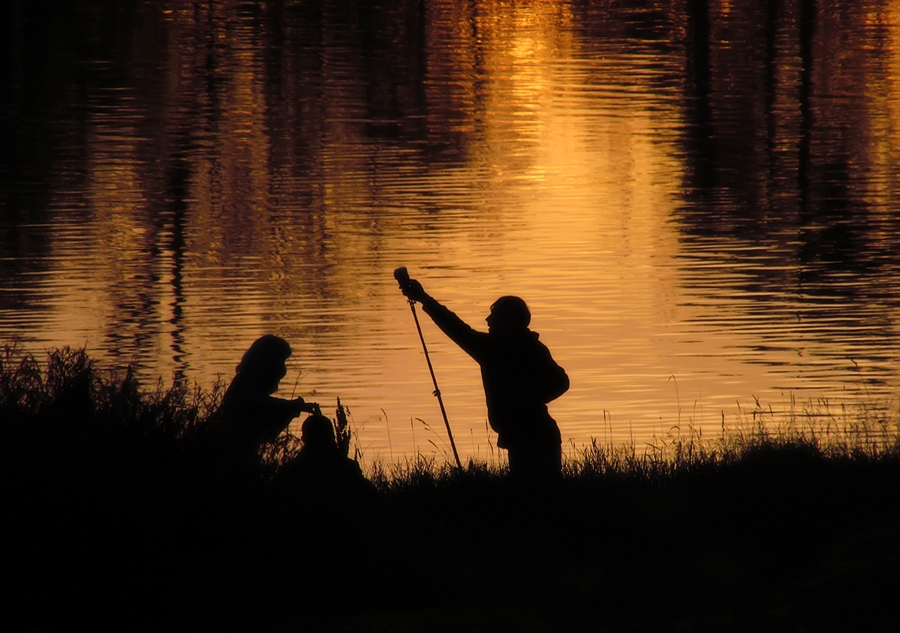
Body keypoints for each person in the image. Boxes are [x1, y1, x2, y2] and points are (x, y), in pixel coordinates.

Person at [399, 277, 569, 479]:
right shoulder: (526, 346)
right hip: (533, 435)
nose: (488, 320)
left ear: (509, 321)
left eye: (493, 316)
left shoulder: (494, 350)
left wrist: (525, 399)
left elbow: (456, 328)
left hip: (532, 437)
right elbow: (561, 382)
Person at [213, 334, 319, 470]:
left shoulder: (245, 382)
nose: (283, 369)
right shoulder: (245, 385)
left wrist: (294, 406)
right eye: (281, 361)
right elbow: (261, 406)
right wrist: (293, 406)